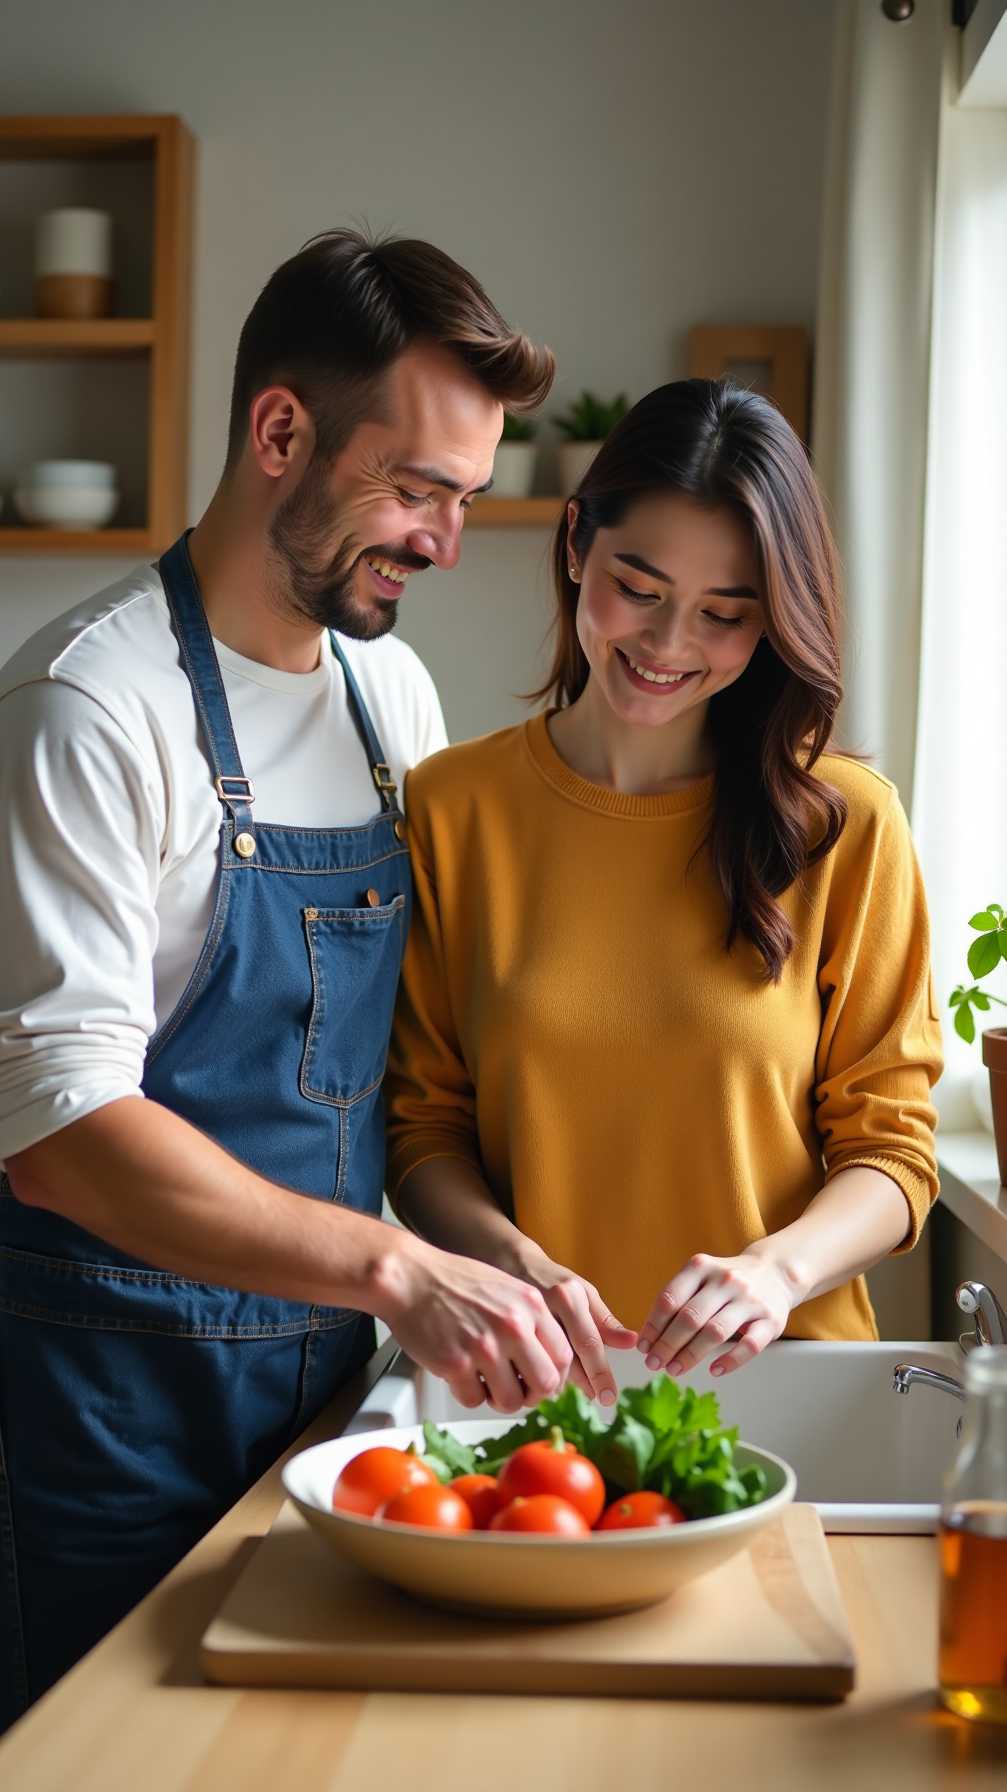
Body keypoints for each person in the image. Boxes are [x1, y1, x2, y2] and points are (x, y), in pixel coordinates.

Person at [0, 228, 575, 1746]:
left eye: (466, 496)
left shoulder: (392, 697)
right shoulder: (86, 708)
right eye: (419, 487)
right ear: (279, 432)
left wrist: (495, 1258)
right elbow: (58, 1133)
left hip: (324, 1403)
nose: (447, 540)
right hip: (105, 1410)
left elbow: (403, 1072)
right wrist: (395, 1272)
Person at [385, 378, 943, 1410]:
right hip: (540, 1383)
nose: (668, 643)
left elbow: (892, 1148)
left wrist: (776, 1271)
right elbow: (423, 1128)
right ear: (575, 544)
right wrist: (514, 1263)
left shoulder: (845, 825)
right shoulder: (452, 807)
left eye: (724, 615)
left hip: (794, 1389)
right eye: (637, 588)